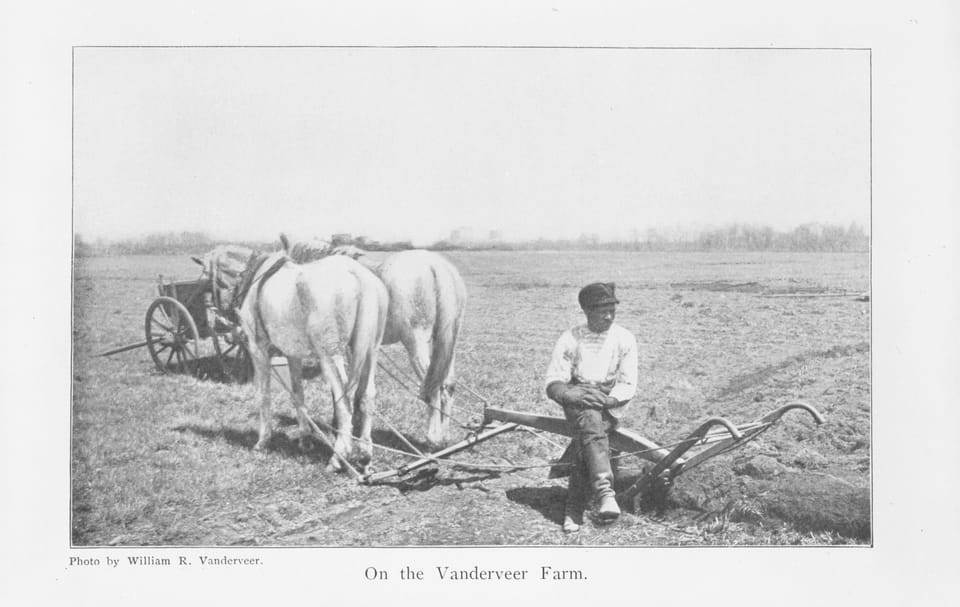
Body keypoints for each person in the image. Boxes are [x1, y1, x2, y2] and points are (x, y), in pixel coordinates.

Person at [544, 282, 638, 532]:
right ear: (586, 311)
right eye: (601, 311)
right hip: (577, 398)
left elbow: (628, 383)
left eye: (612, 310)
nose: (608, 316)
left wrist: (609, 400)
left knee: (589, 435)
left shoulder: (624, 338)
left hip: (609, 401)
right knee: (590, 422)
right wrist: (570, 394)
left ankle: (573, 509)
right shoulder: (570, 338)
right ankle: (605, 493)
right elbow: (553, 382)